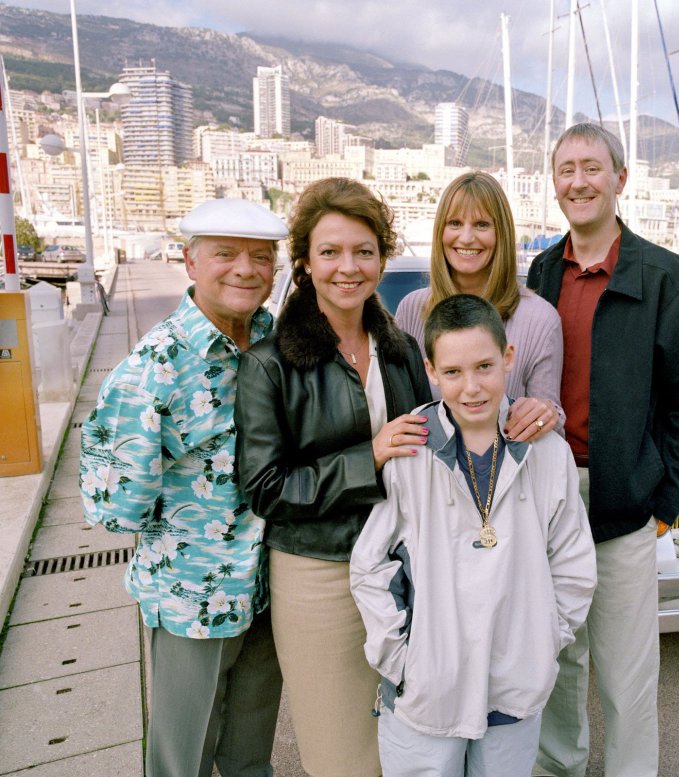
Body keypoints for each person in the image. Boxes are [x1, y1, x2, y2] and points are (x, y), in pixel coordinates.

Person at [527, 123, 679, 777]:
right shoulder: (540, 271)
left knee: (626, 671)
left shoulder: (663, 276)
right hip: (550, 497)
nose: (578, 181)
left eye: (591, 167)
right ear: (553, 182)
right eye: (565, 169)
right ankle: (560, 766)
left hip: (624, 501)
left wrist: (662, 500)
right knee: (558, 658)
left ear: (620, 177)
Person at [78, 197, 288, 777]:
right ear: (191, 263)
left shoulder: (272, 341)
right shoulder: (154, 368)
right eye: (225, 254)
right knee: (182, 756)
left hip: (268, 585)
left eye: (261, 257)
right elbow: (114, 505)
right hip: (193, 595)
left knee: (251, 754)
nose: (245, 269)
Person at [350, 293, 597, 777]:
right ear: (431, 371)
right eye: (454, 372)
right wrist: (400, 660)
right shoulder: (410, 449)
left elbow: (572, 562)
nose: (471, 388)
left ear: (508, 358)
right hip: (428, 685)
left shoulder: (546, 451)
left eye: (485, 366)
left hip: (514, 681)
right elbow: (372, 564)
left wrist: (543, 643)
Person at [234, 177, 433, 777]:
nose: (348, 267)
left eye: (364, 251)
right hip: (319, 574)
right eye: (330, 252)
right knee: (340, 750)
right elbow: (265, 487)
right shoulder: (267, 365)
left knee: (410, 737)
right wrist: (367, 457)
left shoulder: (400, 348)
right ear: (304, 264)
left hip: (405, 562)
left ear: (382, 259)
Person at [395, 170, 563, 442]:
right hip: (428, 477)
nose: (467, 237)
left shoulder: (541, 319)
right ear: (440, 231)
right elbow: (401, 411)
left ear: (502, 233)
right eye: (455, 223)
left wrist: (545, 415)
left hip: (509, 477)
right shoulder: (411, 310)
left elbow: (550, 424)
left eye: (482, 225)